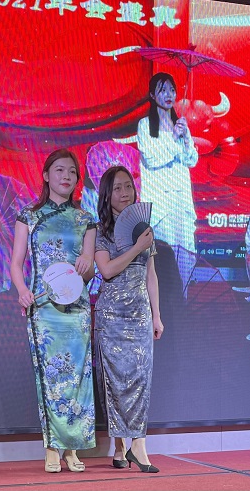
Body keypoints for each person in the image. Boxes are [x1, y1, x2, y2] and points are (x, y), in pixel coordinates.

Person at [10, 149, 96, 473]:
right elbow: (16, 263)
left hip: (77, 309)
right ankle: (51, 446)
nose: (66, 176)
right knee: (49, 377)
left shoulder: (86, 219)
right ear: (46, 176)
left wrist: (86, 265)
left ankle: (72, 447)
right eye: (59, 170)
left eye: (72, 172)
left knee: (77, 378)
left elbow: (89, 271)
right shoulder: (29, 216)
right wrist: (22, 291)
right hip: (44, 309)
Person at [93, 165, 163, 473]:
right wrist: (137, 247)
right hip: (112, 317)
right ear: (107, 195)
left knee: (140, 381)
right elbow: (107, 271)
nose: (125, 193)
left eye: (129, 187)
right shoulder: (100, 231)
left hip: (140, 316)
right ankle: (122, 445)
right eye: (118, 188)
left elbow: (151, 275)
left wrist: (157, 316)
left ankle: (137, 445)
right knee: (116, 383)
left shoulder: (144, 229)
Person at [136, 72, 198, 296]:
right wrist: (172, 138)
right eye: (162, 90)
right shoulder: (145, 125)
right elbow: (152, 159)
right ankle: (159, 302)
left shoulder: (180, 124)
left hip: (180, 199)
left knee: (185, 252)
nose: (169, 94)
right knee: (162, 253)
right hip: (160, 201)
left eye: (172, 89)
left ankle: (183, 299)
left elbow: (191, 160)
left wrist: (186, 138)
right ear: (152, 95)